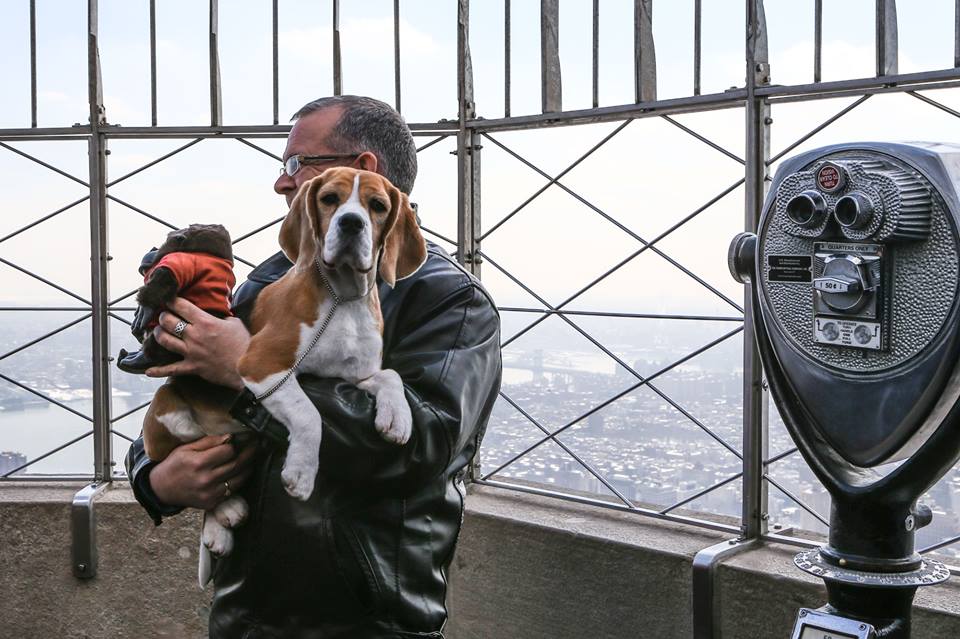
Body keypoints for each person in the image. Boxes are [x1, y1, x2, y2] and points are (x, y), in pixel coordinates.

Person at [125, 95, 502, 638]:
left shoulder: (449, 302)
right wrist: (155, 477)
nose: (283, 183)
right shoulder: (272, 280)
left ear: (362, 170)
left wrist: (243, 374)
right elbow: (187, 394)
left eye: (297, 165)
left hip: (365, 620)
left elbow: (423, 449)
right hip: (247, 614)